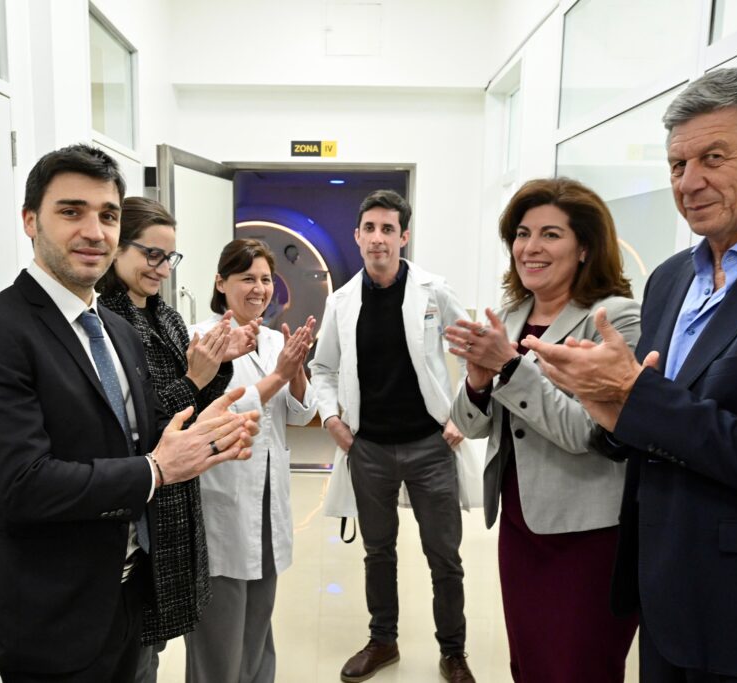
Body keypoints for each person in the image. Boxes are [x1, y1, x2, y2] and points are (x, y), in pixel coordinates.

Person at [523, 67, 737, 682]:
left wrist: (632, 396)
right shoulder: (673, 276)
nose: (688, 182)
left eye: (713, 158)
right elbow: (647, 428)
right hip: (660, 592)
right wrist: (605, 405)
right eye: (678, 164)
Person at [0, 144, 260, 683]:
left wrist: (200, 436)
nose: (94, 231)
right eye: (71, 211)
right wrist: (157, 471)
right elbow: (22, 484)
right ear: (30, 221)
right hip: (55, 617)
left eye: (108, 215)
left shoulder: (115, 330)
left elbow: (140, 434)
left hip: (131, 594)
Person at [445, 178, 640, 682]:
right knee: (529, 663)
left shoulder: (614, 319)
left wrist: (509, 368)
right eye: (522, 233)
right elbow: (470, 425)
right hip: (521, 525)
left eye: (550, 234)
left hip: (587, 533)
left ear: (585, 247)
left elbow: (586, 432)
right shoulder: (511, 316)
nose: (530, 247)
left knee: (579, 667)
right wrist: (477, 381)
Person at [310, 190, 477, 683]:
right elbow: (323, 367)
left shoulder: (434, 291)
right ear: (357, 236)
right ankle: (382, 640)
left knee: (444, 555)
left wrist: (463, 416)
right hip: (369, 449)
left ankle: (453, 652)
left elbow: (474, 352)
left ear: (404, 237)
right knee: (378, 551)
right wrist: (331, 420)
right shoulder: (342, 302)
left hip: (431, 445)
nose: (378, 238)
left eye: (388, 229)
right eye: (370, 228)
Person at [96, 197, 259, 683]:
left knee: (153, 643)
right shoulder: (105, 321)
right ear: (118, 247)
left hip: (177, 502)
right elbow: (138, 423)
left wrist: (218, 366)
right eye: (151, 254)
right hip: (141, 500)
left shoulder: (165, 316)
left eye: (169, 257)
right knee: (134, 648)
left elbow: (195, 404)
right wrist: (195, 378)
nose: (163, 268)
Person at [184, 239, 317, 683]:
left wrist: (295, 370)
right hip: (223, 500)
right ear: (221, 283)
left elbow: (301, 415)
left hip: (266, 500)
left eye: (265, 279)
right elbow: (218, 418)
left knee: (258, 626)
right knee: (220, 636)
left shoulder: (276, 339)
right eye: (247, 279)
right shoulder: (201, 340)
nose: (259, 289)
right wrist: (280, 374)